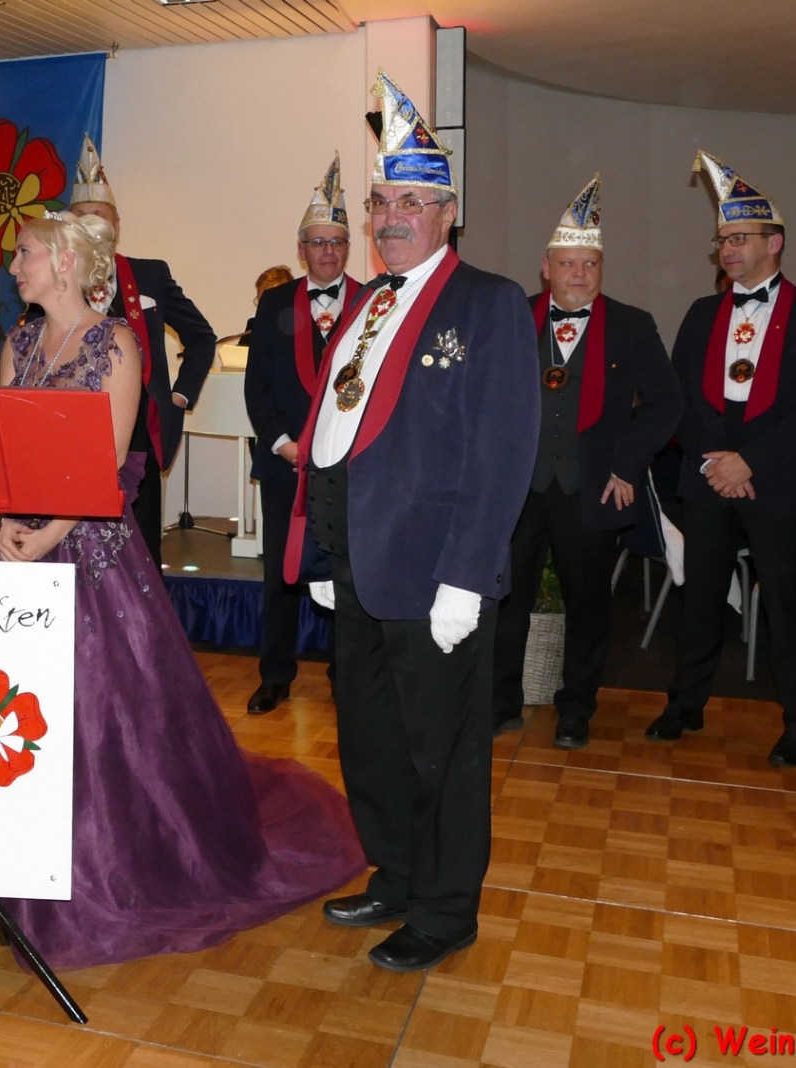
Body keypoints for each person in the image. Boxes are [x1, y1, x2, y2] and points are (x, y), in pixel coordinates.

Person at [0, 211, 363, 968]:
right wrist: (3, 525)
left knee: (95, 716)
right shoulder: (17, 343)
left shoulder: (117, 345)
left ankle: (92, 866)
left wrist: (44, 537)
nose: (15, 268)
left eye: (26, 255)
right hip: (9, 545)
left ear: (68, 263)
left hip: (84, 550)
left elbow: (106, 466)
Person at [292, 72, 538, 973]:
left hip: (435, 574)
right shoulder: (365, 302)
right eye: (381, 202)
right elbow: (336, 425)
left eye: (411, 203)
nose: (391, 217)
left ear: (448, 213)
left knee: (444, 752)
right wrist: (322, 545)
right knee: (372, 740)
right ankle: (395, 874)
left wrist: (468, 576)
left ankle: (444, 909)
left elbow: (502, 448)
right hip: (357, 563)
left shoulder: (488, 302)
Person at [646, 153, 796, 767]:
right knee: (700, 597)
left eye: (739, 239)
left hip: (776, 481)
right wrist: (717, 462)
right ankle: (686, 702)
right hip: (709, 476)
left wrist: (749, 462)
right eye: (722, 240)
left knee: (786, 605)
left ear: (774, 242)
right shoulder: (702, 312)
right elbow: (678, 397)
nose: (727, 250)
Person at [493, 176, 682, 746]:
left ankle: (576, 708)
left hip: (593, 489)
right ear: (546, 267)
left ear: (601, 269)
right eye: (568, 263)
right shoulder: (514, 317)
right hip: (518, 490)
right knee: (506, 600)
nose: (578, 273)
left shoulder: (632, 324)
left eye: (589, 264)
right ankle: (500, 703)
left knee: (588, 608)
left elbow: (666, 403)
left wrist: (627, 466)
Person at [65, 135, 220, 562]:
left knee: (143, 548)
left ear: (116, 224)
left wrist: (179, 397)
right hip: (73, 430)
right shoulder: (56, 281)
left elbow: (201, 336)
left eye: (98, 216)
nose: (91, 225)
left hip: (141, 433)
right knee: (76, 541)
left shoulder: (150, 275)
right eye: (81, 217)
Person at [241, 154, 358, 714]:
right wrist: (284, 444)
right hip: (285, 462)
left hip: (350, 468)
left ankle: (346, 674)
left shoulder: (374, 303)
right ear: (301, 249)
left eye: (337, 242)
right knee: (281, 572)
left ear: (348, 247)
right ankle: (275, 675)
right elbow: (257, 387)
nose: (328, 252)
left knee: (347, 572)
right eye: (318, 242)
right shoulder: (273, 304)